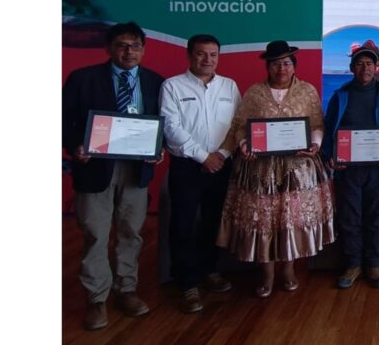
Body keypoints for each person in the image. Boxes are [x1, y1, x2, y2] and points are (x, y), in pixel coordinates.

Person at [62, 22, 164, 330]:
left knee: (130, 232)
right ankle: (96, 298)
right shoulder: (83, 78)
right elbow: (63, 120)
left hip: (136, 169)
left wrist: (159, 148)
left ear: (143, 50)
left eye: (135, 46)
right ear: (109, 48)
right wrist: (75, 145)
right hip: (95, 168)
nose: (129, 52)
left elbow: (164, 123)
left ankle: (126, 289)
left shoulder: (155, 82)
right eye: (122, 45)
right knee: (95, 233)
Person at [216, 41, 335, 298]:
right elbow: (240, 125)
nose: (282, 68)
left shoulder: (307, 91)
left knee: (290, 219)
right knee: (265, 221)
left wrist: (315, 144)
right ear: (268, 66)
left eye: (286, 63)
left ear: (294, 66)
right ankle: (267, 274)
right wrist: (244, 143)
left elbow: (317, 124)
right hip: (261, 170)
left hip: (298, 169)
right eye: (276, 64)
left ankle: (289, 270)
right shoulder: (254, 93)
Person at [159, 34, 242, 313]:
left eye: (213, 54)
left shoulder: (229, 86)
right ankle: (187, 282)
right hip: (187, 166)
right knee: (182, 224)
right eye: (201, 53)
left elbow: (237, 125)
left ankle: (209, 270)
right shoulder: (172, 86)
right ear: (189, 55)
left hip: (221, 164)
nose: (208, 59)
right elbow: (171, 127)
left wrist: (223, 154)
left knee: (213, 221)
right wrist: (203, 156)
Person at [321, 46, 379, 290]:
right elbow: (329, 129)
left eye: (370, 63)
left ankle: (374, 265)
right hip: (348, 170)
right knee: (349, 218)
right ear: (352, 68)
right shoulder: (340, 95)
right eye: (360, 64)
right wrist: (330, 155)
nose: (365, 68)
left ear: (376, 68)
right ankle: (353, 265)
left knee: (375, 218)